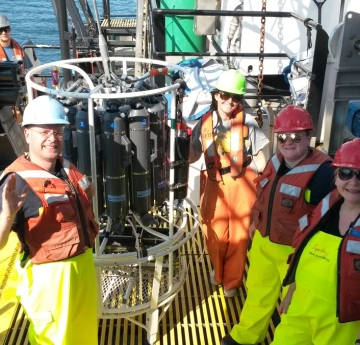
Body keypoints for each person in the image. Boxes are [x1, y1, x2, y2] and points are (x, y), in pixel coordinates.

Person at [221, 105, 335, 344]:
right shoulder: (276, 159)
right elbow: (264, 194)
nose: (288, 142)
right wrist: (254, 221)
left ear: (308, 137)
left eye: (296, 136)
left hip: (294, 252)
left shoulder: (324, 173)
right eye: (282, 136)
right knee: (257, 292)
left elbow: (329, 219)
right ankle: (246, 336)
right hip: (264, 241)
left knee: (293, 305)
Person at [0, 95, 99, 345]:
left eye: (57, 131)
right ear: (27, 135)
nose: (52, 138)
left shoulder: (65, 167)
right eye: (44, 132)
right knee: (54, 339)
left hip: (82, 268)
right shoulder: (16, 181)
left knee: (84, 335)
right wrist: (7, 214)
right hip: (50, 281)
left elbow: (83, 193)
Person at [271, 138, 360, 345]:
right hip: (301, 304)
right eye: (345, 173)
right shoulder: (326, 208)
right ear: (336, 176)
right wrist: (292, 290)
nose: (353, 183)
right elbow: (303, 250)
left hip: (341, 320)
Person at [189, 69, 269, 298]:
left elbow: (262, 159)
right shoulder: (203, 123)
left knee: (239, 236)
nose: (229, 101)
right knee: (214, 233)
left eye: (236, 97)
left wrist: (264, 182)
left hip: (243, 183)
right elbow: (193, 156)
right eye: (225, 95)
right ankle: (218, 268)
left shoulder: (250, 122)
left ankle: (231, 281)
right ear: (216, 96)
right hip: (214, 182)